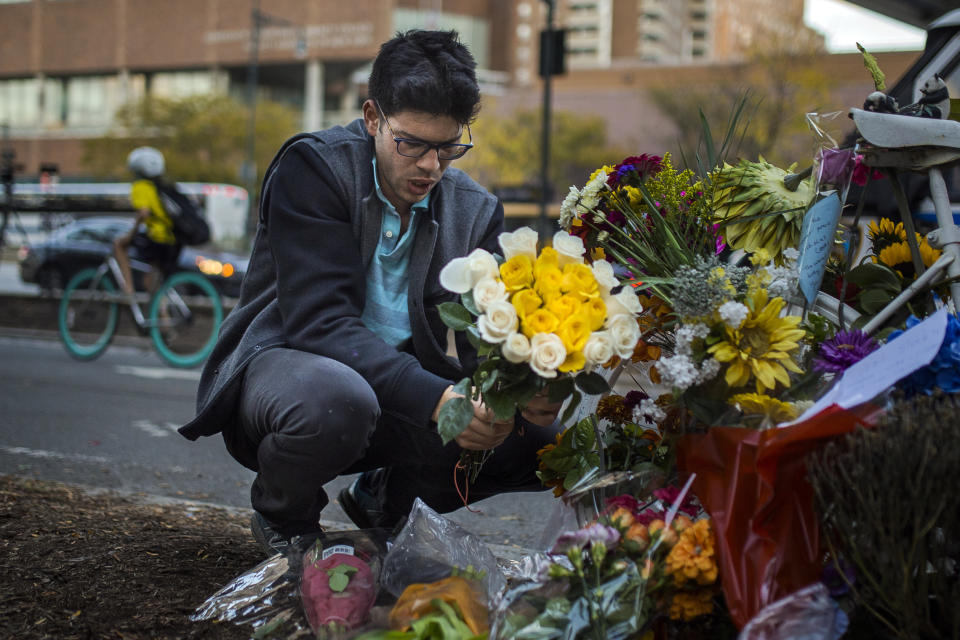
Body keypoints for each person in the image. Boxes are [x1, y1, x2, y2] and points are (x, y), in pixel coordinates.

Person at [176, 29, 562, 556]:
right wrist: (437, 399)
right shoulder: (315, 169)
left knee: (536, 443)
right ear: (373, 118)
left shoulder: (474, 210)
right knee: (339, 401)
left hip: (394, 394)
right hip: (291, 379)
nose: (431, 166)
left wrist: (520, 393)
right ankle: (284, 513)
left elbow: (487, 348)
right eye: (412, 144)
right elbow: (321, 325)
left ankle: (386, 501)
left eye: (449, 147)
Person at [115, 147, 182, 297]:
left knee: (119, 245)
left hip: (157, 238)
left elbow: (143, 213)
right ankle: (162, 316)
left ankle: (128, 288)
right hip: (171, 239)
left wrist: (131, 234)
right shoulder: (161, 187)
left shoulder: (140, 187)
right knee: (151, 283)